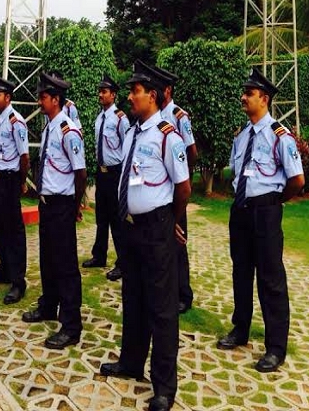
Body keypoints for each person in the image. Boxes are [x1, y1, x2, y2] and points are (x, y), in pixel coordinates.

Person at [100, 60, 191, 411]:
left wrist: (172, 220)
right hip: (131, 229)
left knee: (162, 308)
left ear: (151, 96)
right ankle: (130, 362)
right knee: (133, 298)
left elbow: (182, 187)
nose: (130, 96)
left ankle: (165, 386)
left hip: (156, 228)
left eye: (135, 91)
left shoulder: (168, 135)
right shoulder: (132, 133)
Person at [217, 68, 304, 373]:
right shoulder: (242, 136)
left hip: (266, 211)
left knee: (270, 279)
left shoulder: (280, 136)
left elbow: (297, 180)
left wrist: (274, 201)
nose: (243, 97)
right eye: (244, 92)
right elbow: (234, 171)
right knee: (241, 273)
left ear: (264, 99)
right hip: (240, 211)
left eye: (249, 93)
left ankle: (275, 347)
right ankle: (240, 329)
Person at [22, 72, 87, 350]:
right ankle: (49, 306)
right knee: (47, 259)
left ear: (56, 100)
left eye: (44, 97)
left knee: (66, 266)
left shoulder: (68, 131)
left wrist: (74, 205)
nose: (40, 101)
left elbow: (80, 172)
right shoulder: (49, 127)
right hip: (47, 204)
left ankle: (71, 325)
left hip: (62, 205)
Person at [0, 76, 29, 304]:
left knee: (14, 231)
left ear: (7, 97)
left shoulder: (15, 121)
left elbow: (24, 156)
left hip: (10, 180)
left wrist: (21, 182)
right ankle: (5, 269)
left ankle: (18, 282)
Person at [156, 65, 198, 314]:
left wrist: (182, 177)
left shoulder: (179, 116)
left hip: (175, 189)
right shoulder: (153, 116)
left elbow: (191, 152)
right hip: (158, 191)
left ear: (168, 91)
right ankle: (167, 290)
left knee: (178, 240)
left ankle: (184, 293)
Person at [82, 74, 129, 281]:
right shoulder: (99, 118)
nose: (100, 95)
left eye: (104, 92)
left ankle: (123, 263)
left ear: (113, 95)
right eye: (99, 91)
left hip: (115, 174)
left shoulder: (120, 118)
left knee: (117, 221)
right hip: (101, 174)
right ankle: (98, 256)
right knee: (101, 218)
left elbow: (126, 148)